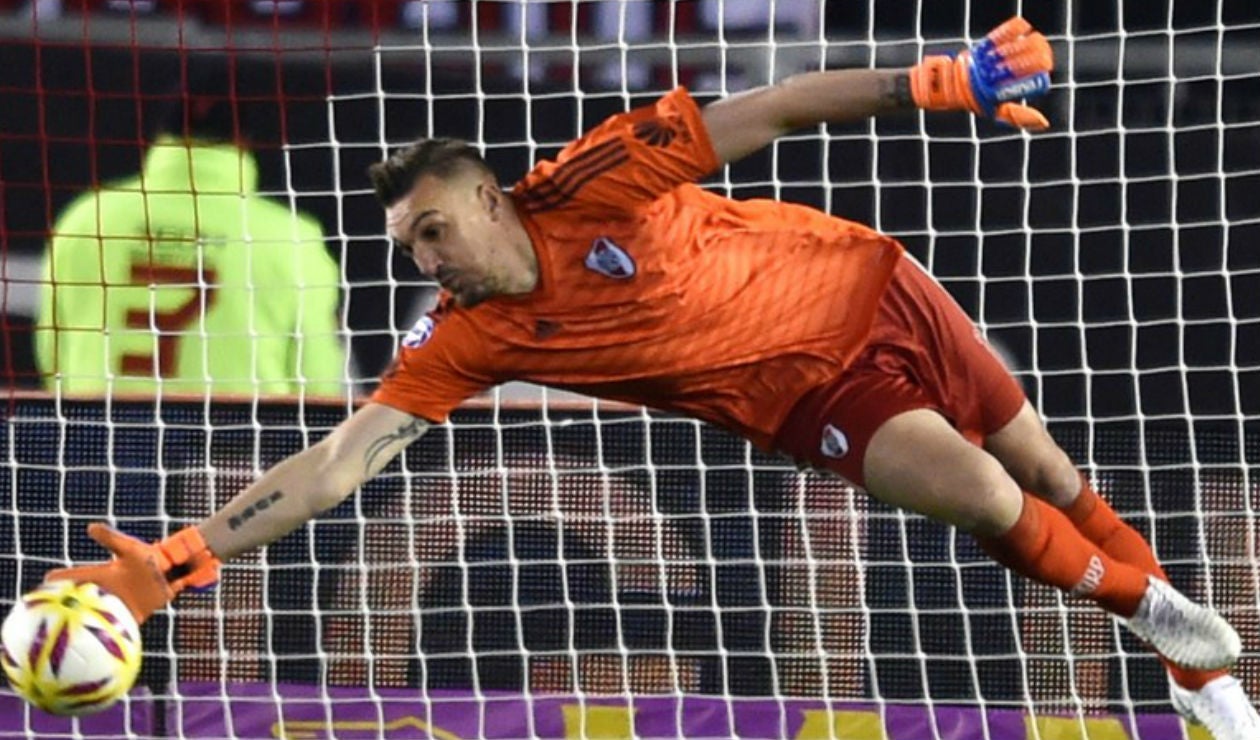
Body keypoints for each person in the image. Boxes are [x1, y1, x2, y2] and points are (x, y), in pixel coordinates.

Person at [45, 18, 1258, 739]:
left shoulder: (594, 177)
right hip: (808, 399)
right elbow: (335, 463)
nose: (424, 258)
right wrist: (177, 558)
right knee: (990, 497)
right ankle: (1155, 611)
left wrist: (937, 84)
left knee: (1048, 467)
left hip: (875, 282)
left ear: (488, 198)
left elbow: (775, 108)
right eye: (407, 247)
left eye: (432, 230)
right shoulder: (465, 339)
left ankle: (1196, 670)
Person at [34, 60, 346, 399]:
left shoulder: (86, 220)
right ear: (245, 141)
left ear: (162, 134)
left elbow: (53, 358)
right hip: (238, 433)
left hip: (101, 431)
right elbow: (317, 385)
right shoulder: (290, 240)